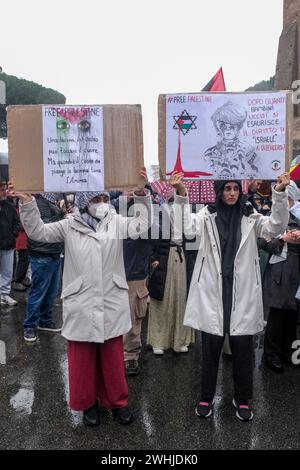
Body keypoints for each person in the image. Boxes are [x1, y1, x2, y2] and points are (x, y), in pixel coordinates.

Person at [10, 168, 152, 427]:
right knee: (83, 359)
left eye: (104, 199)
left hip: (110, 298)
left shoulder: (117, 221)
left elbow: (141, 225)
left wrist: (142, 194)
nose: (101, 204)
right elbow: (38, 232)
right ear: (85, 202)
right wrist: (28, 202)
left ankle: (118, 403)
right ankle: (88, 405)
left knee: (111, 357)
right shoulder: (69, 225)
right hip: (82, 301)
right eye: (95, 200)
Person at [171, 171, 290, 421]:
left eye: (236, 188)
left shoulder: (251, 216)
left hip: (241, 293)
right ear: (220, 191)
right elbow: (186, 228)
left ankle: (242, 398)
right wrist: (181, 195)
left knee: (242, 349)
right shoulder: (206, 214)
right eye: (227, 188)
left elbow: (277, 226)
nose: (232, 193)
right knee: (211, 350)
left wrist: (279, 193)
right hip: (213, 292)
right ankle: (206, 397)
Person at [147, 188, 195, 355]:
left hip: (181, 255)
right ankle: (158, 340)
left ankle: (180, 339)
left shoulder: (187, 209)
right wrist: (152, 257)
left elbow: (192, 235)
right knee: (161, 299)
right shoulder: (156, 210)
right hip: (162, 256)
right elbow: (149, 236)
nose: (170, 192)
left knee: (180, 298)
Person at [262, 180, 300, 372]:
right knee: (277, 314)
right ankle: (271, 354)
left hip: (296, 270)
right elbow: (264, 242)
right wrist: (283, 239)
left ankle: (289, 351)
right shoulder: (272, 217)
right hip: (280, 269)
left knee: (293, 314)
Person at [22, 193, 65, 342]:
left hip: (53, 253)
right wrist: (63, 218)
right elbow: (45, 227)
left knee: (52, 292)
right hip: (42, 254)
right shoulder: (40, 203)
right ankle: (29, 326)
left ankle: (45, 320)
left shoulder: (51, 202)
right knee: (38, 292)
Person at [204, 101, 259, 179]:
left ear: (239, 126)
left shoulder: (248, 150)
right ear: (218, 127)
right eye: (223, 125)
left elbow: (256, 173)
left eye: (232, 125)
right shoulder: (209, 154)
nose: (228, 129)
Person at [0, 181, 20, 306]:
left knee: (7, 271)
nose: (4, 192)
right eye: (2, 189)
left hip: (8, 244)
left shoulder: (9, 205)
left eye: (4, 189)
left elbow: (16, 222)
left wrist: (13, 234)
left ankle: (5, 294)